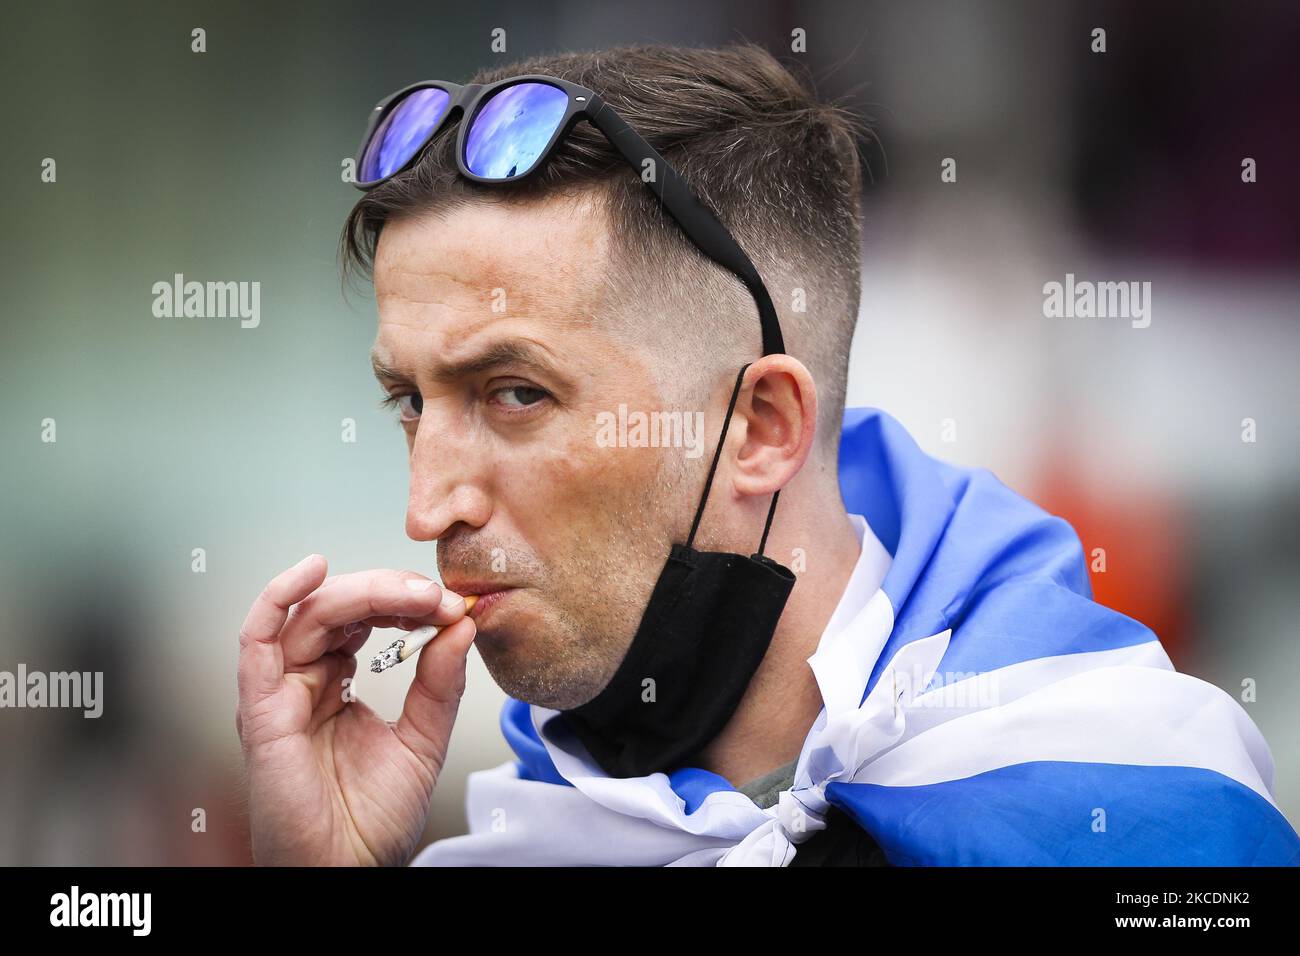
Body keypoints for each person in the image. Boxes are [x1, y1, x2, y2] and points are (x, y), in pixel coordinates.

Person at [235, 43, 1300, 866]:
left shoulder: (1149, 809)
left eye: (515, 393)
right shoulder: (527, 832)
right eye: (410, 401)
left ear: (761, 430)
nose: (427, 510)